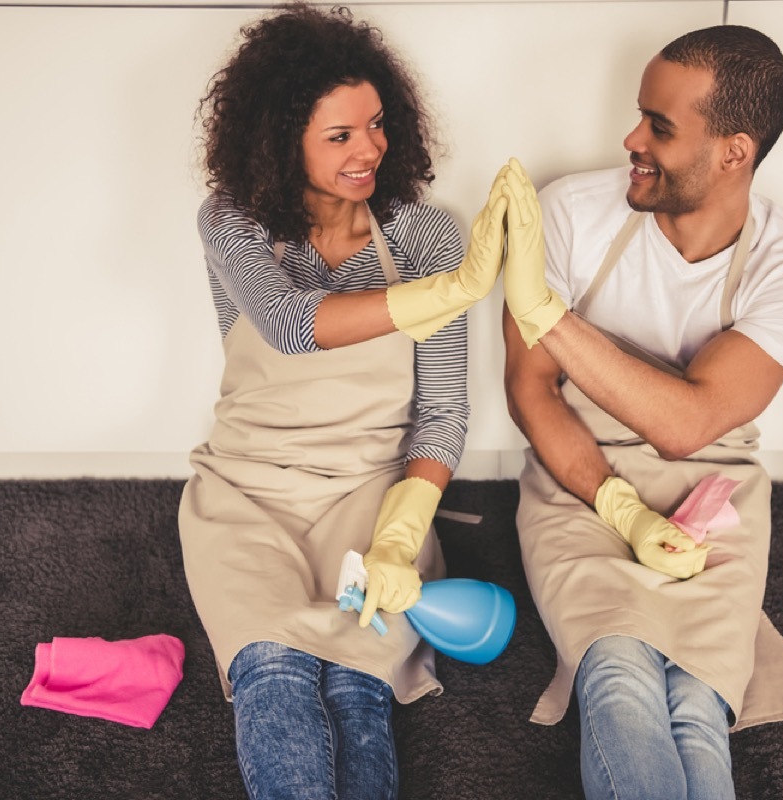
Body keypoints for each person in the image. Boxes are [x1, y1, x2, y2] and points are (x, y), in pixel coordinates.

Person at [499, 25, 783, 800]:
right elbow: (531, 392)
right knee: (618, 675)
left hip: (712, 492)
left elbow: (689, 426)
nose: (632, 139)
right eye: (639, 115)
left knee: (697, 698)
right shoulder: (570, 214)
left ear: (733, 152)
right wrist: (617, 504)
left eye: (660, 126)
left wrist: (544, 312)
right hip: (576, 474)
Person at [177, 4, 507, 798]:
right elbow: (291, 325)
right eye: (339, 137)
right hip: (247, 493)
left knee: (357, 679)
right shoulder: (233, 222)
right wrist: (452, 293)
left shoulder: (424, 238)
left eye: (378, 125)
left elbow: (442, 415)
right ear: (279, 139)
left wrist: (401, 532)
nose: (370, 151)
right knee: (272, 669)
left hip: (369, 492)